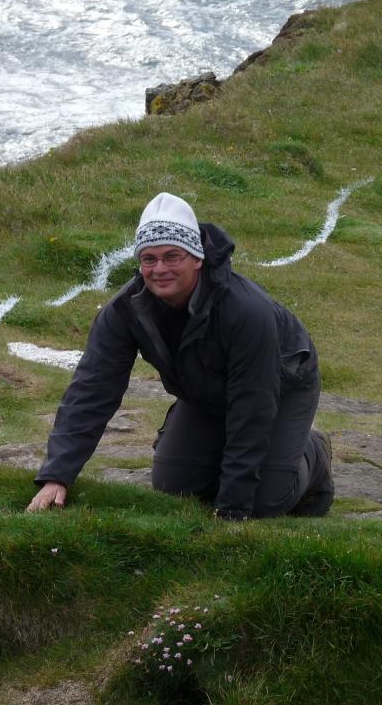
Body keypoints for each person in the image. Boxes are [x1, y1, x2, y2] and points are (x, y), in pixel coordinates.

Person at [26, 192, 333, 520]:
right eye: (149, 258)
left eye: (173, 256)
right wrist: (57, 475)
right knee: (175, 488)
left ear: (197, 257)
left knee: (263, 502)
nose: (160, 269)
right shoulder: (124, 311)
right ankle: (205, 440)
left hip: (282, 385)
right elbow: (92, 390)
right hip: (206, 393)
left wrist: (232, 510)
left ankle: (313, 452)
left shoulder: (246, 311)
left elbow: (253, 406)